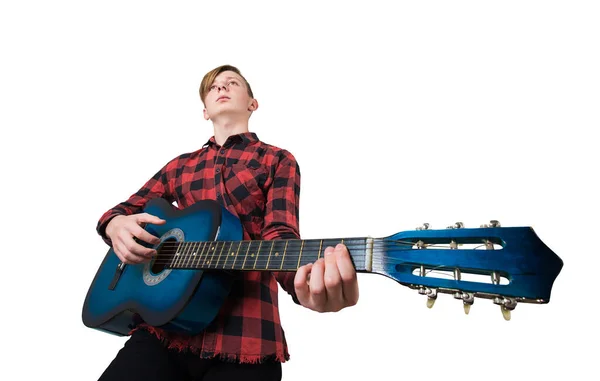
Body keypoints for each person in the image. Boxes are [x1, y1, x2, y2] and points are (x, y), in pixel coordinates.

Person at [95, 64, 359, 381]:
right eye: (213, 87)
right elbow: (122, 210)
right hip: (163, 330)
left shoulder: (277, 159)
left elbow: (279, 235)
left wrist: (303, 288)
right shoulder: (179, 166)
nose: (222, 87)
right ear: (205, 111)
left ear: (252, 103)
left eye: (232, 82)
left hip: (247, 337)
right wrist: (115, 226)